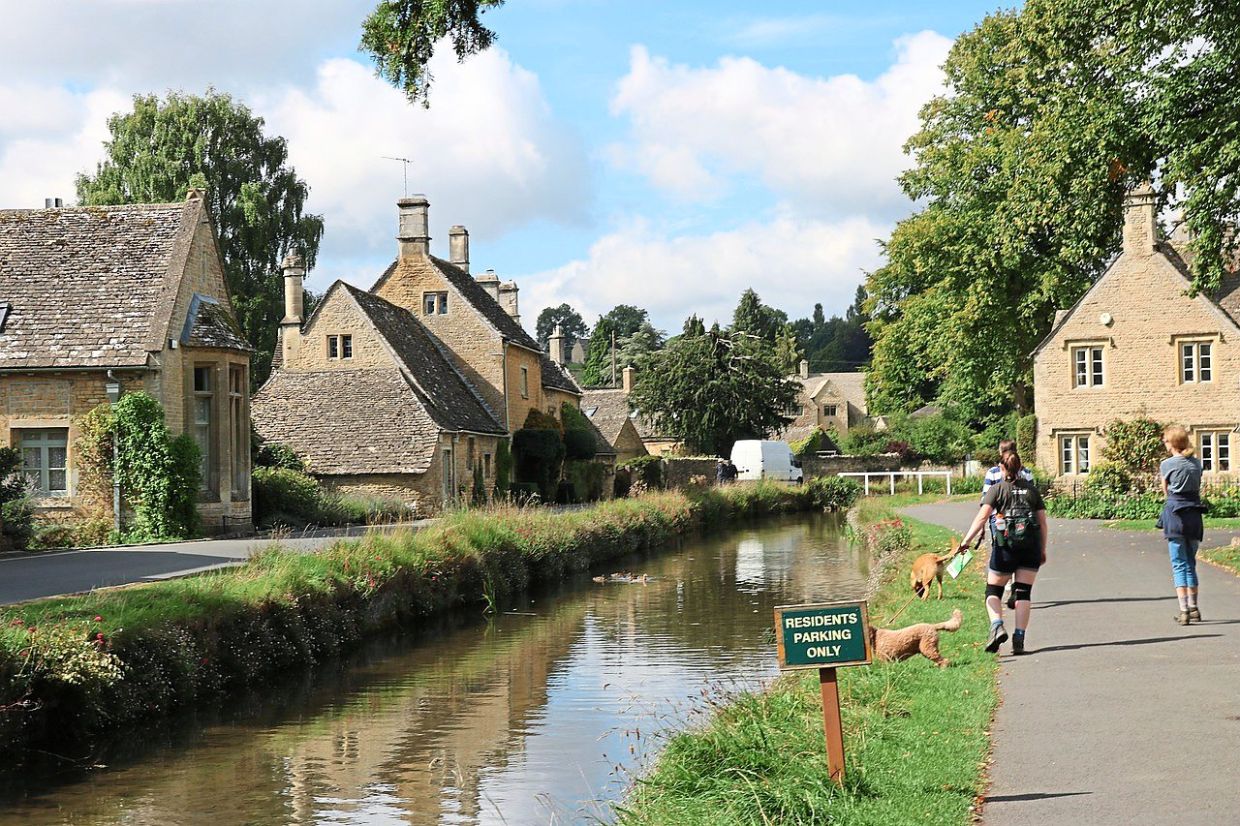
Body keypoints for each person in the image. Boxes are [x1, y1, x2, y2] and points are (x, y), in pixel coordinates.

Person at [959, 450, 1048, 655]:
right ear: (1020, 468)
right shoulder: (1032, 490)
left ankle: (997, 625)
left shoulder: (997, 489)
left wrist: (965, 542)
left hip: (1005, 549)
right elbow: (1042, 523)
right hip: (1030, 548)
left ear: (1001, 468)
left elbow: (982, 518)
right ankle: (1019, 638)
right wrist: (1042, 549)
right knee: (1024, 593)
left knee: (993, 591)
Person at [1160, 425, 1206, 625]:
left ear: (1172, 443)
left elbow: (1166, 490)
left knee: (1178, 564)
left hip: (1175, 515)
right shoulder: (1197, 464)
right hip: (1194, 514)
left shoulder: (1167, 464)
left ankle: (1184, 610)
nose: (1164, 443)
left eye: (1166, 440)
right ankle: (1194, 607)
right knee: (1190, 563)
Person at [982, 440, 1034, 609]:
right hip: (1022, 520)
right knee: (1019, 548)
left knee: (1001, 548)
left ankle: (1000, 586)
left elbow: (985, 500)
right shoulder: (1026, 472)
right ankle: (1015, 584)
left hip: (999, 518)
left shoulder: (993, 473)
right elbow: (1032, 497)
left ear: (1000, 452)